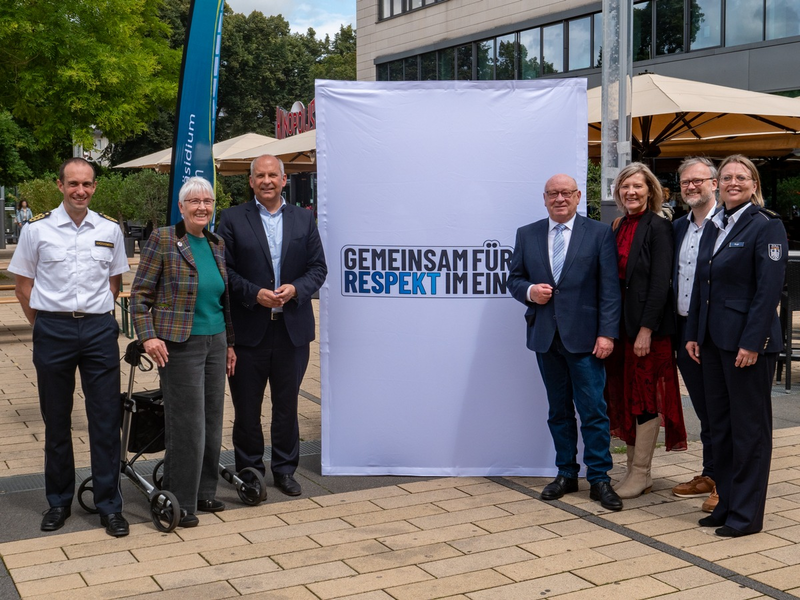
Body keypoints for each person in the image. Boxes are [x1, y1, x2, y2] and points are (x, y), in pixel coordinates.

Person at [8, 158, 130, 537]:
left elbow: (114, 283)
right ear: (60, 185)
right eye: (73, 183)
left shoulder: (110, 228)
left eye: (87, 184)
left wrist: (92, 319)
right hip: (54, 331)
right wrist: (44, 324)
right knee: (57, 421)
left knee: (106, 421)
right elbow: (23, 286)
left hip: (97, 331)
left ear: (95, 187)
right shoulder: (37, 230)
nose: (80, 190)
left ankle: (109, 504)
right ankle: (58, 502)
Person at [508, 173, 623, 512]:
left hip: (587, 339)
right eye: (552, 194)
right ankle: (566, 473)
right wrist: (530, 292)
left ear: (577, 197)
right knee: (558, 411)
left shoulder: (599, 233)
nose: (559, 199)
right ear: (544, 199)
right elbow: (514, 279)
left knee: (593, 411)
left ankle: (600, 478)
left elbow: (609, 290)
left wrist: (607, 333)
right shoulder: (527, 234)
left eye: (565, 193)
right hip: (546, 337)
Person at [686, 154, 787, 537]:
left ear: (754, 184)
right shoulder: (715, 225)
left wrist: (753, 342)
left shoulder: (766, 225)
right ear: (717, 183)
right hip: (712, 343)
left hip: (746, 345)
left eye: (740, 177)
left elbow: (768, 291)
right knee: (722, 428)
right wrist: (694, 334)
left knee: (749, 431)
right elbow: (702, 285)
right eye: (725, 176)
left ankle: (745, 516)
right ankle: (725, 503)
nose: (732, 182)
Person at [216, 154, 327, 497]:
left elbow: (318, 269)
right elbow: (224, 270)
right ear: (251, 181)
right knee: (247, 409)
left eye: (272, 175)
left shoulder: (303, 220)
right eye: (259, 175)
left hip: (291, 329)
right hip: (249, 331)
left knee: (287, 406)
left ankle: (284, 470)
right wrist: (254, 294)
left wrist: (296, 290)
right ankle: (250, 471)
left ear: (283, 179)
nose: (266, 181)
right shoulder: (232, 219)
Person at [130, 177, 236, 528]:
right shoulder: (163, 239)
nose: (202, 207)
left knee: (212, 420)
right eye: (194, 201)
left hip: (215, 340)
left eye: (207, 201)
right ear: (181, 207)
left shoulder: (217, 242)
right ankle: (181, 500)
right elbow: (140, 296)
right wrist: (148, 337)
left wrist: (230, 343)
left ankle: (205, 491)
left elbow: (223, 300)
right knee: (187, 423)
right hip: (179, 345)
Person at [604, 162, 687, 500]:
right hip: (620, 327)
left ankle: (641, 473)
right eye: (625, 187)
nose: (631, 192)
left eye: (637, 186)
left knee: (645, 397)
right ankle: (631, 470)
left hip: (646, 331)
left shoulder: (658, 227)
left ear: (650, 190)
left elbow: (660, 284)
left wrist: (646, 330)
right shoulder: (616, 224)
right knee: (625, 394)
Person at [671, 157, 719, 512]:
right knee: (704, 407)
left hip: (717, 332)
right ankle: (710, 473)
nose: (691, 186)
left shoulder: (728, 225)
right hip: (684, 327)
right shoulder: (678, 227)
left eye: (698, 181)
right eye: (685, 182)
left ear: (714, 184)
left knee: (724, 408)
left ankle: (728, 484)